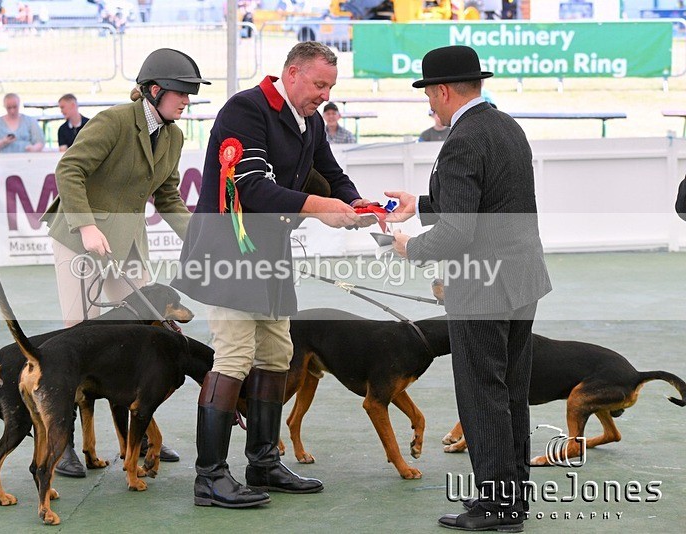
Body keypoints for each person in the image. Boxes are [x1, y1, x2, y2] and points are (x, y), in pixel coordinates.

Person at [173, 41, 374, 509]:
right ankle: (210, 478)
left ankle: (262, 460)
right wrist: (324, 208)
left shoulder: (311, 121)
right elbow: (250, 186)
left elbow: (331, 173)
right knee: (235, 355)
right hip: (230, 249)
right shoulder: (246, 111)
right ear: (292, 73)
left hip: (271, 253)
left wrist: (358, 204)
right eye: (319, 84)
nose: (324, 95)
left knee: (277, 352)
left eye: (330, 87)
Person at [384, 45, 551, 532]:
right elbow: (487, 202)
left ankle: (496, 508)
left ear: (441, 90)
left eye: (429, 96)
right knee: (510, 391)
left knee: (482, 394)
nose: (429, 107)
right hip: (522, 280)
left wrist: (408, 247)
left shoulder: (460, 140)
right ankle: (512, 498)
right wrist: (420, 202)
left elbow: (459, 232)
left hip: (482, 287)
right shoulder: (506, 127)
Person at [40, 48, 210, 478]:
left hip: (128, 246)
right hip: (81, 239)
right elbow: (70, 170)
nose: (187, 100)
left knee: (147, 335)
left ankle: (145, 433)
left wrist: (202, 240)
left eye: (190, 93)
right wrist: (85, 226)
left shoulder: (173, 136)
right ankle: (65, 441)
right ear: (155, 90)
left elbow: (168, 196)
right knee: (79, 338)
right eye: (182, 92)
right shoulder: (114, 121)